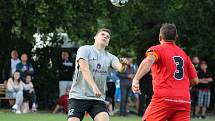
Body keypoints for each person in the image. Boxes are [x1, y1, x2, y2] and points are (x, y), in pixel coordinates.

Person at [132, 23, 199, 121]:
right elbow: (195, 81)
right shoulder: (184, 55)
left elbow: (149, 60)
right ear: (176, 37)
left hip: (164, 99)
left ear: (160, 37)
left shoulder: (157, 49)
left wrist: (136, 79)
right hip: (184, 100)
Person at [68, 28, 128, 121]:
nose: (105, 37)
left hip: (97, 99)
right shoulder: (84, 49)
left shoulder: (110, 57)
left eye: (107, 37)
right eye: (102, 34)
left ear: (108, 42)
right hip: (78, 96)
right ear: (95, 37)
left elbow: (120, 68)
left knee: (104, 119)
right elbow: (84, 69)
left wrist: (123, 64)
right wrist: (94, 87)